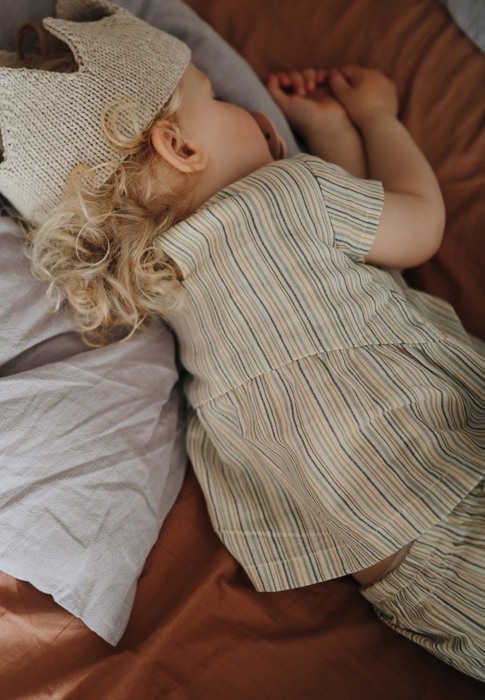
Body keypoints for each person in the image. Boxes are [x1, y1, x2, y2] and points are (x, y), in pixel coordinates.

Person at [1, 0, 484, 680]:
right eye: (218, 96)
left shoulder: (155, 292)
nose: (247, 106)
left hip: (417, 590)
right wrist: (378, 117)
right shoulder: (292, 191)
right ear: (180, 147)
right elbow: (415, 229)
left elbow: (364, 264)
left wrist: (329, 130)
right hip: (459, 478)